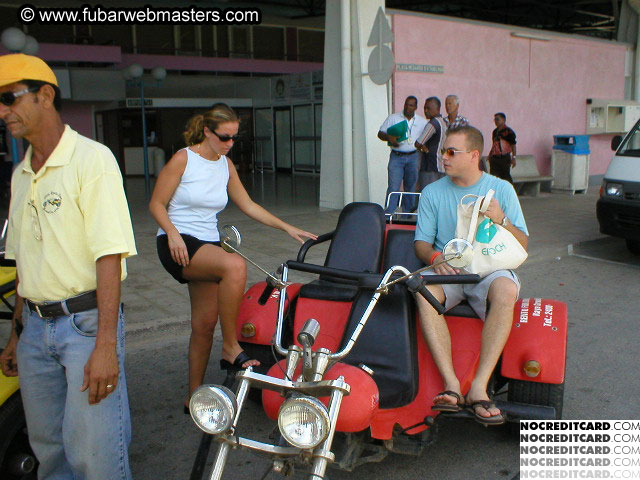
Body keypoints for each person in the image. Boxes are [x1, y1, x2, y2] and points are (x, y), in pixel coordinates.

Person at [0, 54, 136, 479]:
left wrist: (106, 347)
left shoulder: (91, 161)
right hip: (36, 330)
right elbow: (25, 261)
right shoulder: (22, 174)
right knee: (50, 452)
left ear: (45, 95)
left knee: (96, 457)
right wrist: (15, 335)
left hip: (85, 327)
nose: (3, 112)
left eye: (9, 98)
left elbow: (109, 256)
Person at [149, 103, 316, 412]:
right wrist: (171, 233)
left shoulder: (225, 165)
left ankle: (192, 397)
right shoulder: (183, 159)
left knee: (203, 324)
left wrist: (287, 227)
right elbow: (157, 204)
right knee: (235, 265)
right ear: (207, 132)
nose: (229, 144)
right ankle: (230, 346)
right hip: (178, 243)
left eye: (234, 138)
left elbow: (249, 205)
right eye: (224, 137)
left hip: (207, 244)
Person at [413, 125, 528, 425]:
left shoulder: (500, 189)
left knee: (506, 289)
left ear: (474, 155)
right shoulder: (432, 192)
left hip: (488, 269)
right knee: (423, 292)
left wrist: (501, 218)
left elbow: (524, 244)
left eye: (451, 152)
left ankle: (480, 387)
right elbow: (421, 244)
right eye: (442, 152)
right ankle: (451, 384)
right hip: (448, 270)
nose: (443, 158)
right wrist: (435, 257)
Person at [377, 96, 427, 214]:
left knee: (411, 186)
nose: (407, 107)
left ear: (415, 107)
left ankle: (407, 214)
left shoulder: (421, 122)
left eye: (410, 105)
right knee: (393, 186)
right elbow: (380, 134)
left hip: (413, 156)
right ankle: (389, 213)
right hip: (396, 156)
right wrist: (389, 137)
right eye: (406, 104)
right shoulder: (393, 118)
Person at [414, 96, 447, 189]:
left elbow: (418, 143)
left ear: (437, 108)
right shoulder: (444, 122)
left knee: (428, 193)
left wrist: (424, 149)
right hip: (442, 165)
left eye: (428, 108)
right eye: (424, 108)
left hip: (431, 165)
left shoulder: (433, 123)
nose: (425, 111)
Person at [488, 112, 517, 183]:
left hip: (504, 158)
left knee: (505, 177)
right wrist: (490, 155)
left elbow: (513, 145)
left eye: (497, 119)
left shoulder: (508, 132)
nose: (496, 122)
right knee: (494, 177)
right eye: (495, 120)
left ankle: (509, 192)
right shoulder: (495, 132)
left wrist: (514, 157)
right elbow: (494, 144)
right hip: (495, 158)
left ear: (503, 120)